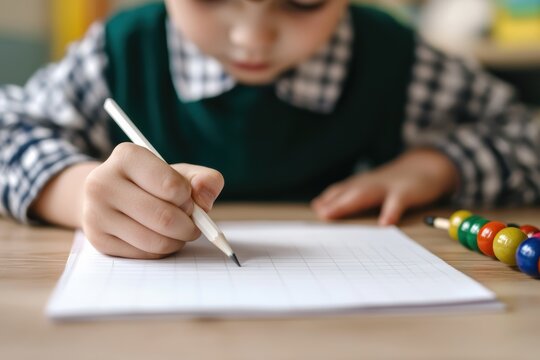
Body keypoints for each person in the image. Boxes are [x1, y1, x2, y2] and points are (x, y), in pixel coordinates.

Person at [0, 0, 539, 259]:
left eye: (303, 0)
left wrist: (434, 167)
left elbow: (527, 134)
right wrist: (74, 193)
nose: (252, 38)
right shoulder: (118, 52)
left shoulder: (397, 59)